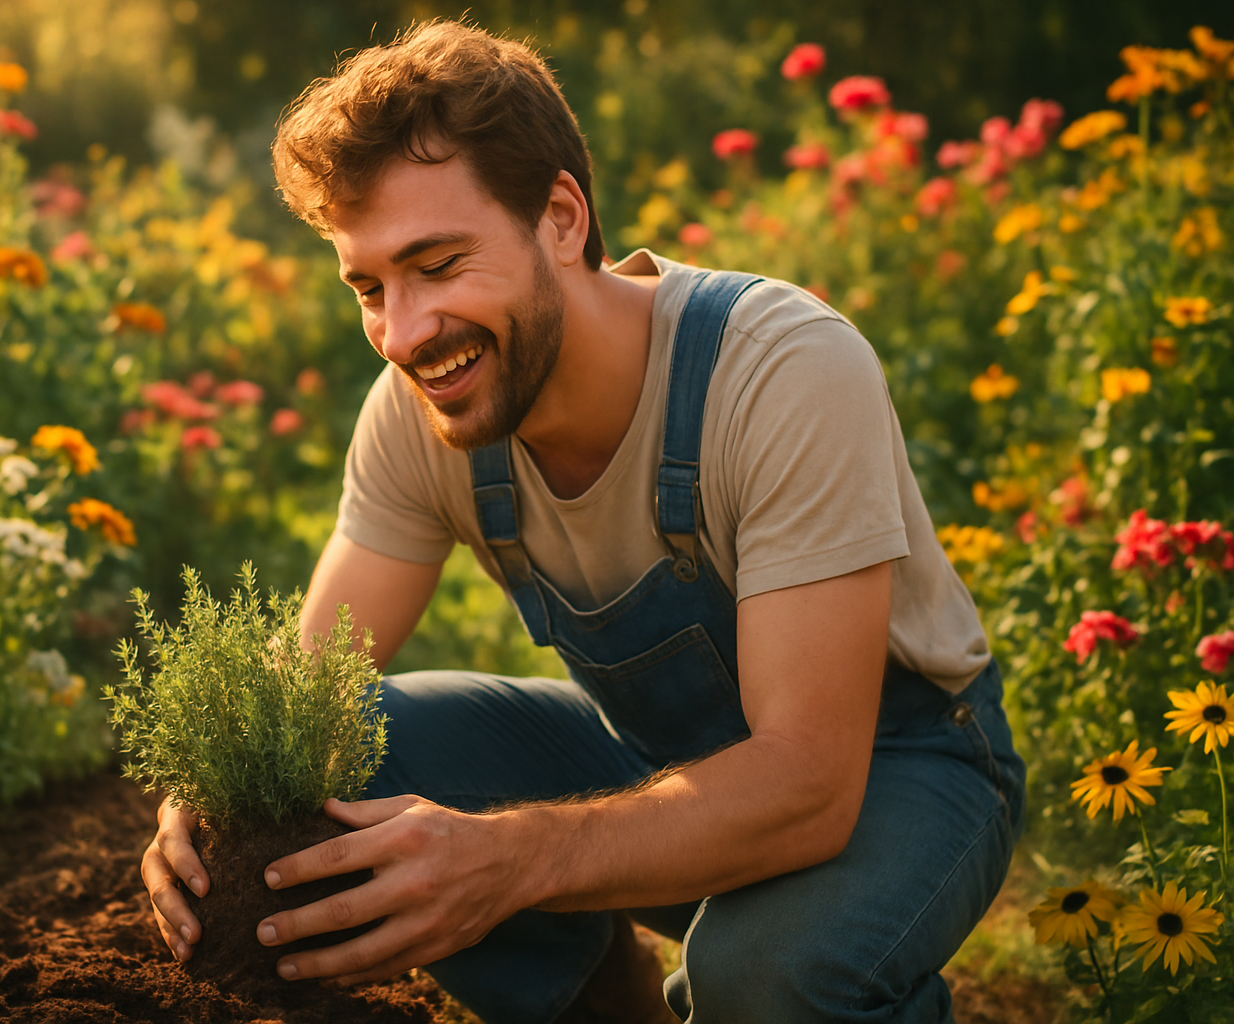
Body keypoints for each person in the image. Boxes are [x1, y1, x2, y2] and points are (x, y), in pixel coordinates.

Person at [139, 19, 1025, 1024]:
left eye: (437, 263)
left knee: (762, 977)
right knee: (358, 749)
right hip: (663, 767)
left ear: (561, 217)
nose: (403, 331)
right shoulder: (422, 413)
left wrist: (507, 861)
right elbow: (310, 686)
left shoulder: (780, 370)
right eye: (369, 287)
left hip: (894, 775)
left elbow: (808, 785)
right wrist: (207, 794)